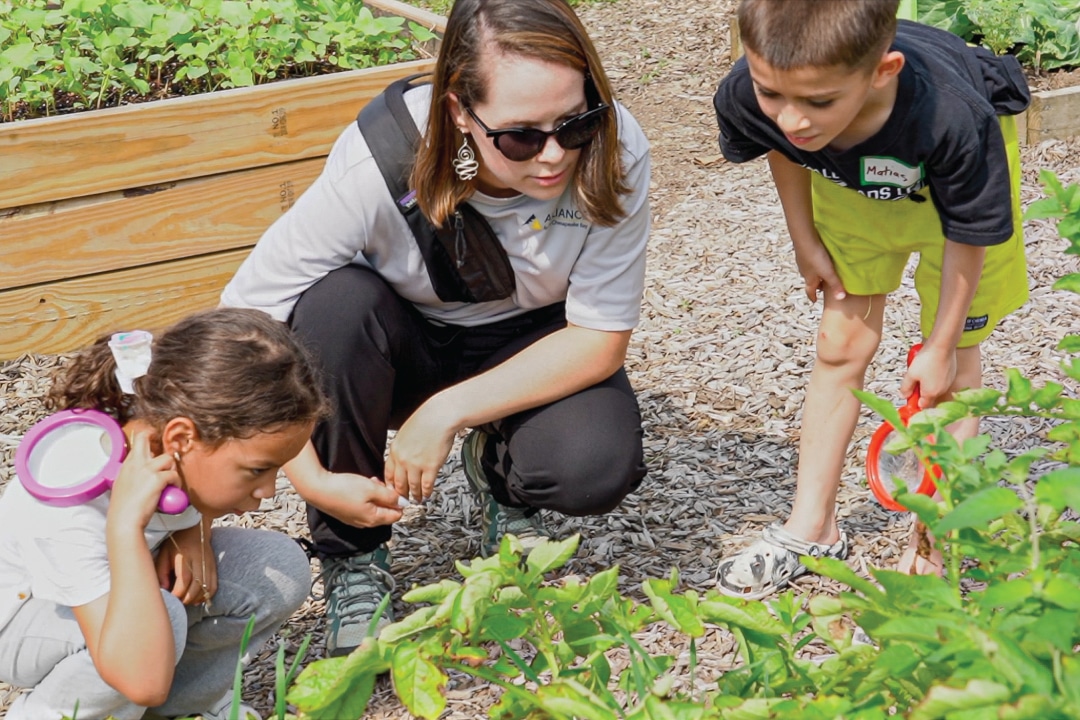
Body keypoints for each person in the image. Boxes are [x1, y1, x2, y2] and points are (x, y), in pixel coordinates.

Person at [220, 0, 651, 656]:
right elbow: (242, 325)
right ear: (458, 114)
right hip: (396, 343)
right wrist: (310, 477)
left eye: (576, 121)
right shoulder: (379, 165)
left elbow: (598, 337)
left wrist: (449, 413)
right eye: (521, 137)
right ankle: (353, 560)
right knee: (334, 306)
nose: (555, 155)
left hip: (530, 337)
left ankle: (501, 473)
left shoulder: (616, 148)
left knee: (591, 466)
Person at [711, 0, 1029, 599]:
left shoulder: (954, 117)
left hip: (948, 206)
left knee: (952, 374)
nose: (793, 119)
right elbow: (780, 143)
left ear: (884, 71)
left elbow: (970, 231)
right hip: (853, 182)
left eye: (818, 101)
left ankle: (937, 542)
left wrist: (938, 344)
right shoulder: (758, 97)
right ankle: (813, 528)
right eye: (772, 93)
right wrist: (804, 240)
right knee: (840, 342)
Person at [0, 308, 329, 719]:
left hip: (108, 598)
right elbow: (143, 679)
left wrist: (195, 529)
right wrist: (125, 528)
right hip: (23, 619)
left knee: (278, 569)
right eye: (258, 469)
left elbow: (188, 488)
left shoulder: (161, 435)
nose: (267, 491)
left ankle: (180, 709)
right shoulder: (70, 498)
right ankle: (51, 712)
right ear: (181, 437)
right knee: (158, 622)